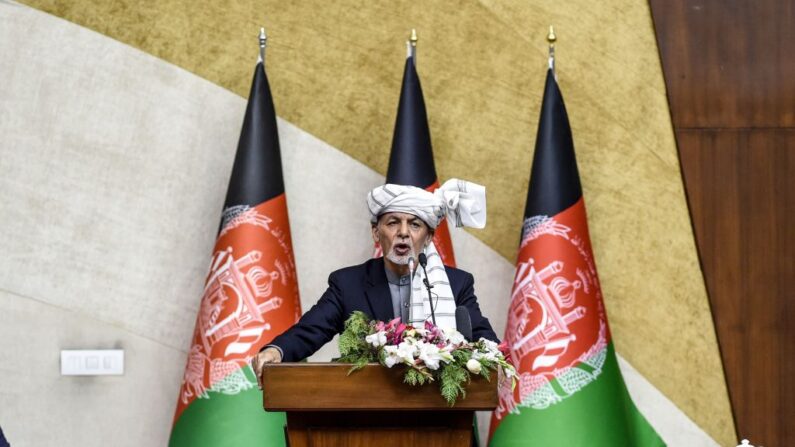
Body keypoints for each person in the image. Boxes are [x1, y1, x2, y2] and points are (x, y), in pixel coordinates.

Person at [252, 179, 498, 381]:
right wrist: (276, 350)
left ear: (429, 237)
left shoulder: (457, 285)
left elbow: (485, 341)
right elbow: (311, 330)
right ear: (376, 232)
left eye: (414, 224)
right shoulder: (348, 284)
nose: (403, 232)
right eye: (393, 223)